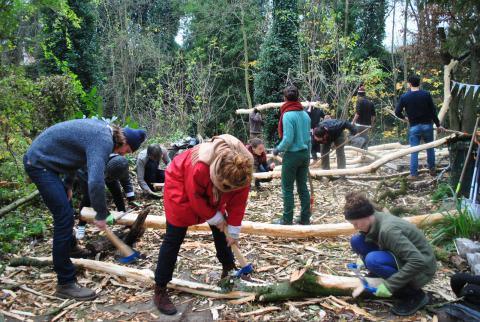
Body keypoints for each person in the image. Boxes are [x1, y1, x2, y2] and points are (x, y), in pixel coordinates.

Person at [23, 119, 146, 300]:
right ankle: (65, 283)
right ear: (124, 141)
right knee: (63, 217)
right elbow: (95, 183)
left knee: (65, 212)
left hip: (49, 163)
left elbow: (76, 156)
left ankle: (70, 248)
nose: (123, 154)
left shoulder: (104, 134)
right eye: (126, 151)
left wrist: (68, 184)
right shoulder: (103, 141)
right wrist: (101, 213)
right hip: (39, 163)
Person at [153, 134, 253, 315]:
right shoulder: (200, 165)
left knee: (222, 232)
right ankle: (160, 287)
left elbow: (238, 203)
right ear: (218, 174)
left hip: (212, 187)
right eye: (226, 187)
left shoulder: (243, 171)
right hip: (181, 184)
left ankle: (229, 269)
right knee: (174, 237)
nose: (229, 191)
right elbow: (196, 197)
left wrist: (233, 230)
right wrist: (215, 217)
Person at [345, 192, 436, 316]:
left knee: (373, 260)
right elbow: (373, 238)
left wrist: (390, 285)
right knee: (357, 240)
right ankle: (379, 273)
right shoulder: (375, 218)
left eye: (356, 223)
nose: (355, 227)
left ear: (366, 216)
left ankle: (414, 295)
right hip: (403, 256)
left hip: (423, 269)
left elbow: (417, 261)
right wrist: (362, 258)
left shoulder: (389, 230)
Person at [272, 86, 311, 225]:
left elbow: (288, 139)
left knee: (287, 188)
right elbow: (308, 138)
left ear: (285, 98)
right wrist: (309, 155)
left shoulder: (288, 115)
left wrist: (278, 149)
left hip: (292, 155)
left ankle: (287, 219)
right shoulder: (305, 115)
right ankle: (305, 218)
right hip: (305, 154)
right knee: (303, 187)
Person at [74, 154, 135, 240]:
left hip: (107, 171)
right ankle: (81, 225)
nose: (109, 179)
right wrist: (105, 214)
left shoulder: (121, 164)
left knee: (117, 191)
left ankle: (123, 217)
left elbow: (126, 180)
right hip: (87, 172)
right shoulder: (93, 165)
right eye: (110, 177)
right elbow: (94, 193)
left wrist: (131, 197)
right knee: (87, 196)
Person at [395, 74, 445, 178]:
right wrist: (438, 124)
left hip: (414, 127)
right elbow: (432, 111)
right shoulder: (426, 94)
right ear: (419, 83)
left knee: (414, 150)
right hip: (427, 125)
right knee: (430, 148)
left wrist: (405, 119)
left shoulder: (405, 97)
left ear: (409, 84)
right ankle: (432, 170)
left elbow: (397, 112)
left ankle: (413, 174)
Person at [352, 85, 375, 149]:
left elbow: (357, 114)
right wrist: (372, 124)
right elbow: (373, 116)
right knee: (364, 137)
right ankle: (365, 152)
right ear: (364, 94)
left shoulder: (359, 101)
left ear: (358, 95)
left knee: (356, 138)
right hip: (367, 125)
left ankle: (358, 152)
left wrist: (352, 122)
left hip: (359, 124)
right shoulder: (371, 103)